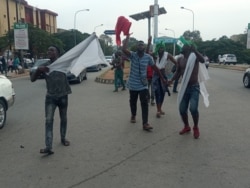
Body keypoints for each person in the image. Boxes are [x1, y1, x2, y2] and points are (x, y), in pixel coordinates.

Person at [31, 45, 72, 155]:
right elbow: (32, 79)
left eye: (52, 50)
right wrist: (38, 70)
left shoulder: (63, 63)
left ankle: (63, 138)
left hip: (63, 95)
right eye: (48, 50)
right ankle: (48, 146)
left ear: (57, 53)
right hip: (50, 97)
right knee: (48, 120)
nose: (49, 51)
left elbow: (76, 56)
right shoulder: (44, 66)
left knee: (63, 118)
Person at [122, 34, 167, 131]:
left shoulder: (148, 57)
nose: (140, 46)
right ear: (137, 47)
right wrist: (127, 38)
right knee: (132, 101)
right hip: (133, 85)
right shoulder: (132, 55)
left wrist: (162, 78)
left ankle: (145, 123)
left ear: (144, 47)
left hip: (143, 85)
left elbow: (155, 68)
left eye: (142, 44)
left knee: (144, 103)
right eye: (139, 44)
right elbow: (124, 49)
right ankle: (133, 115)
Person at [169, 44, 205, 139]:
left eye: (186, 46)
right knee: (182, 109)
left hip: (194, 87)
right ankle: (186, 126)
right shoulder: (180, 59)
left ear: (189, 49)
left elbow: (203, 60)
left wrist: (196, 51)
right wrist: (171, 80)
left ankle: (196, 127)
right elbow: (178, 72)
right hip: (184, 88)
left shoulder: (194, 58)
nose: (183, 47)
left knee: (193, 109)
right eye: (183, 46)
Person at [152, 42, 177, 118]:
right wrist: (149, 43)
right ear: (157, 48)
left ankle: (160, 108)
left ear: (164, 48)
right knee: (157, 92)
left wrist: (175, 72)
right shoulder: (154, 54)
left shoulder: (167, 55)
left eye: (162, 48)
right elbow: (146, 53)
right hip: (156, 75)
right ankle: (158, 110)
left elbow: (176, 63)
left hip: (163, 75)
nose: (161, 49)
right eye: (159, 48)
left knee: (162, 93)